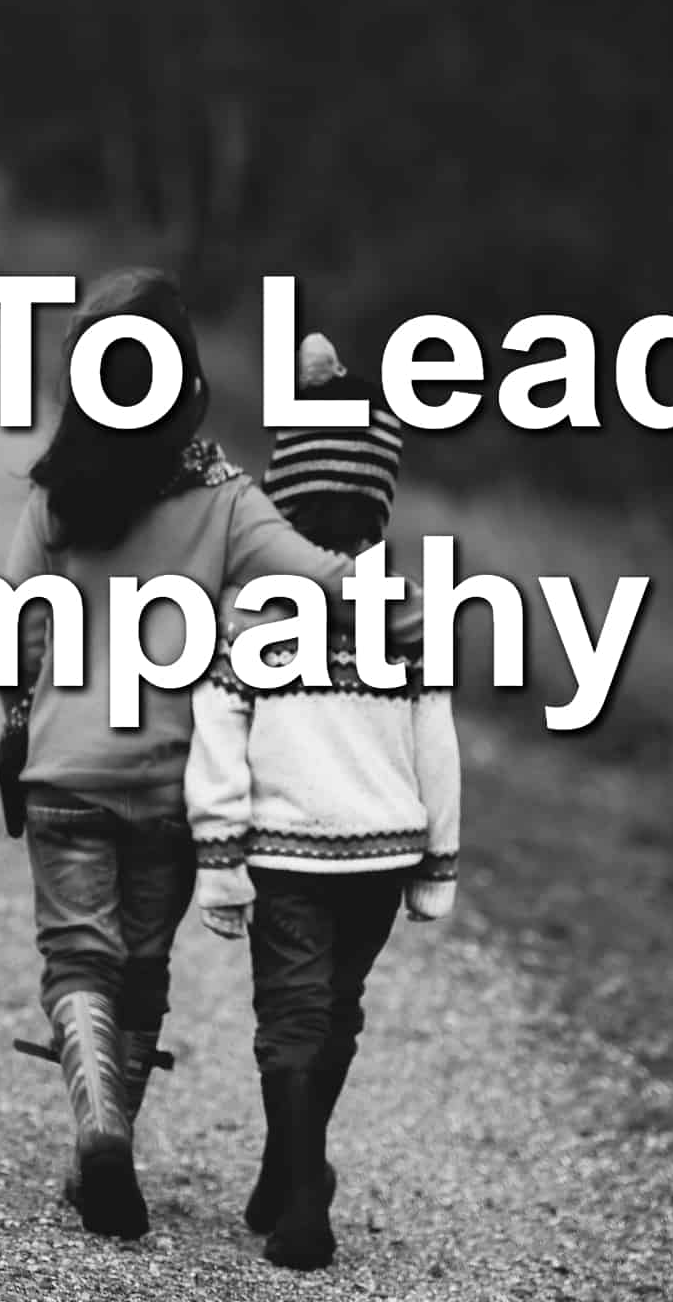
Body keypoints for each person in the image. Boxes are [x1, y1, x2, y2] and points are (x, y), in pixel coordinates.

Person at [0, 276, 426, 1242]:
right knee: (141, 968)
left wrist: (20, 715)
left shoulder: (57, 495)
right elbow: (330, 585)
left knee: (77, 959)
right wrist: (410, 622)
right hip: (170, 786)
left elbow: (17, 623)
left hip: (66, 774)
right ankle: (107, 1145)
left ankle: (100, 1129)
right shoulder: (227, 500)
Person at [183, 332, 461, 1271]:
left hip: (287, 853)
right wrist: (439, 863)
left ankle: (301, 1193)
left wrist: (218, 861)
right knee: (336, 1011)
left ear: (282, 499)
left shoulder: (255, 614)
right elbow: (437, 746)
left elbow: (218, 737)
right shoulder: (411, 612)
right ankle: (290, 1171)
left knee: (292, 1017)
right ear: (381, 504)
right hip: (381, 855)